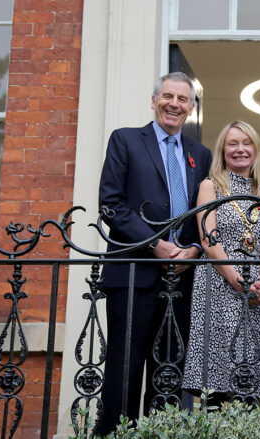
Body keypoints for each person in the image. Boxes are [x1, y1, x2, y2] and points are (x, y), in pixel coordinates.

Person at [96, 72, 213, 434]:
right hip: (133, 277)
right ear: (154, 100)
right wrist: (156, 243)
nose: (174, 104)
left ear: (191, 108)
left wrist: (194, 249)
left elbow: (202, 214)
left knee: (170, 376)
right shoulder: (126, 140)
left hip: (181, 281)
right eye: (168, 96)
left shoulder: (200, 154)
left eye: (183, 99)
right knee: (124, 373)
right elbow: (111, 204)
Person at [183, 121, 260, 404]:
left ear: (256, 148)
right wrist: (237, 280)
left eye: (246, 143)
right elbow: (208, 240)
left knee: (248, 384)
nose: (240, 149)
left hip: (257, 292)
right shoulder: (210, 186)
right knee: (214, 385)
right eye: (232, 144)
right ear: (223, 151)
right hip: (219, 284)